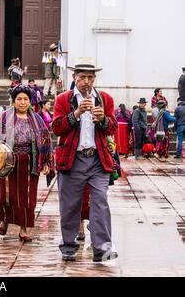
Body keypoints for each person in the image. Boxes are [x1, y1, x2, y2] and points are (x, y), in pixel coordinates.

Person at [53, 57, 118, 262]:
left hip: (98, 159)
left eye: (90, 77)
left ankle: (103, 248)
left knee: (100, 202)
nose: (86, 82)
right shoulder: (63, 99)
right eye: (82, 77)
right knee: (70, 205)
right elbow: (56, 127)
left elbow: (113, 127)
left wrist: (103, 120)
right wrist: (76, 114)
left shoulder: (105, 99)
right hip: (73, 159)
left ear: (95, 79)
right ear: (74, 78)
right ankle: (69, 245)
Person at [0, 84, 54, 242]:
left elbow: (46, 139)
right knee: (7, 194)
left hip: (30, 161)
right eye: (19, 99)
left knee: (28, 196)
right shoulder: (4, 117)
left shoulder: (37, 120)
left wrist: (47, 161)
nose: (22, 102)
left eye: (25, 99)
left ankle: (24, 228)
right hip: (8, 161)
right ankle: (4, 219)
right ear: (13, 101)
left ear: (30, 101)